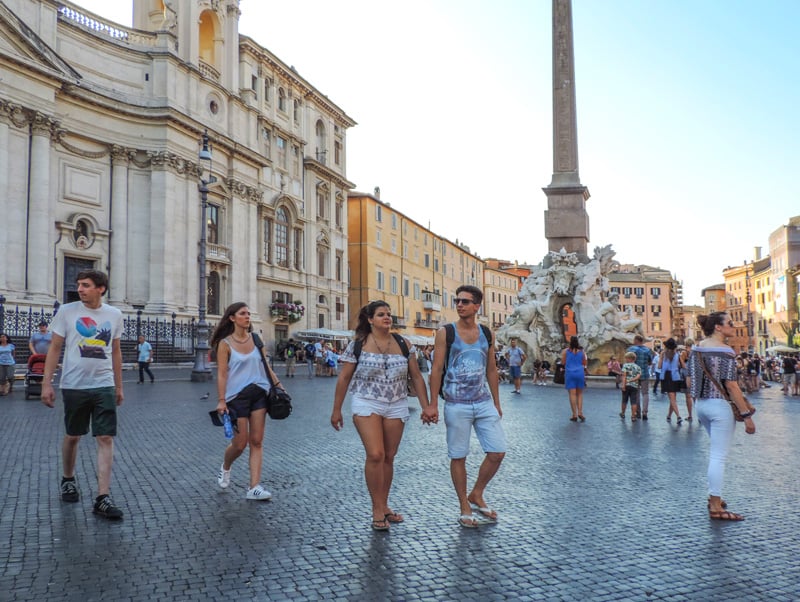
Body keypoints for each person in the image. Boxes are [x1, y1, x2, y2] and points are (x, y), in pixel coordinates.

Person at [331, 301, 436, 531]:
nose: (387, 317)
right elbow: (344, 378)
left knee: (389, 456)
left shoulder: (403, 343)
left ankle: (385, 505)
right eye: (381, 315)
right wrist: (337, 409)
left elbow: (417, 377)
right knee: (375, 454)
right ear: (370, 319)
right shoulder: (358, 345)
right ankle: (376, 509)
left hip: (396, 403)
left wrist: (427, 406)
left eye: (388, 314)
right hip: (366, 401)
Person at [40, 270, 125, 520]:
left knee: (106, 437)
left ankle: (102, 497)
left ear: (101, 288)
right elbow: (55, 348)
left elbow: (117, 352)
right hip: (74, 384)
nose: (79, 289)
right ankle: (68, 478)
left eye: (85, 285)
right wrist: (47, 384)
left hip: (103, 384)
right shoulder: (67, 311)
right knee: (73, 435)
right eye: (78, 285)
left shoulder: (114, 314)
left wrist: (119, 386)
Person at [429, 285, 505, 529]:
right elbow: (436, 369)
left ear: (477, 306)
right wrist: (432, 404)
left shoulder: (486, 332)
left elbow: (491, 369)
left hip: (483, 402)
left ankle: (477, 493)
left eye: (465, 301)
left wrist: (497, 401)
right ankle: (464, 505)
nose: (459, 305)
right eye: (457, 301)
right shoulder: (446, 332)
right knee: (458, 456)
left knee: (497, 452)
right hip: (456, 403)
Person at [687, 312, 756, 521]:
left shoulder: (696, 348)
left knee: (716, 454)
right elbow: (732, 385)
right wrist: (746, 415)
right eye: (730, 323)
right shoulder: (725, 351)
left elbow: (690, 381)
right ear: (718, 327)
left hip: (701, 406)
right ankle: (715, 505)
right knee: (718, 457)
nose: (733, 327)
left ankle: (714, 496)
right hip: (720, 407)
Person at [211, 302, 283, 501]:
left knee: (257, 441)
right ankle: (226, 466)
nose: (247, 316)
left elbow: (266, 366)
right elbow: (222, 374)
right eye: (243, 313)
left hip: (259, 393)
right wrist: (221, 400)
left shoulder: (256, 339)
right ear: (232, 318)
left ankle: (254, 487)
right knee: (240, 444)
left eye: (248, 313)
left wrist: (279, 386)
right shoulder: (224, 344)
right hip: (236, 397)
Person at [561, 335, 587, 422]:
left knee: (572, 394)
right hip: (580, 373)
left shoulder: (566, 351)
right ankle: (580, 412)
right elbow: (584, 362)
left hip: (570, 373)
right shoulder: (582, 352)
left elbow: (563, 362)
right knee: (579, 394)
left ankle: (574, 414)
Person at [627, 335, 653, 420]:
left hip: (634, 375)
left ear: (636, 340)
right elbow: (650, 362)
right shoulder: (648, 350)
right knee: (645, 393)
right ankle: (645, 412)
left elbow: (627, 361)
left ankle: (637, 412)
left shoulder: (632, 349)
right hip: (645, 373)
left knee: (636, 393)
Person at [659, 338, 683, 424]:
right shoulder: (677, 354)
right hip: (675, 376)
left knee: (672, 399)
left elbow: (659, 366)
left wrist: (661, 359)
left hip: (666, 376)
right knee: (673, 398)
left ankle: (678, 416)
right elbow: (680, 365)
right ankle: (669, 415)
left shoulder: (663, 354)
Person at [620, 351, 641, 421]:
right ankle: (633, 416)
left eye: (626, 358)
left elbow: (624, 375)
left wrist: (623, 385)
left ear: (629, 359)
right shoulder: (638, 367)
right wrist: (632, 380)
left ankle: (623, 413)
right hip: (634, 386)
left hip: (626, 385)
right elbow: (638, 376)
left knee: (624, 400)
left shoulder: (625, 366)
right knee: (633, 401)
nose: (626, 360)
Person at [681, 338, 695, 420]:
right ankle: (699, 416)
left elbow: (682, 364)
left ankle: (690, 415)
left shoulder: (684, 352)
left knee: (688, 396)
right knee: (695, 396)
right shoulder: (696, 351)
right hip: (695, 374)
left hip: (686, 375)